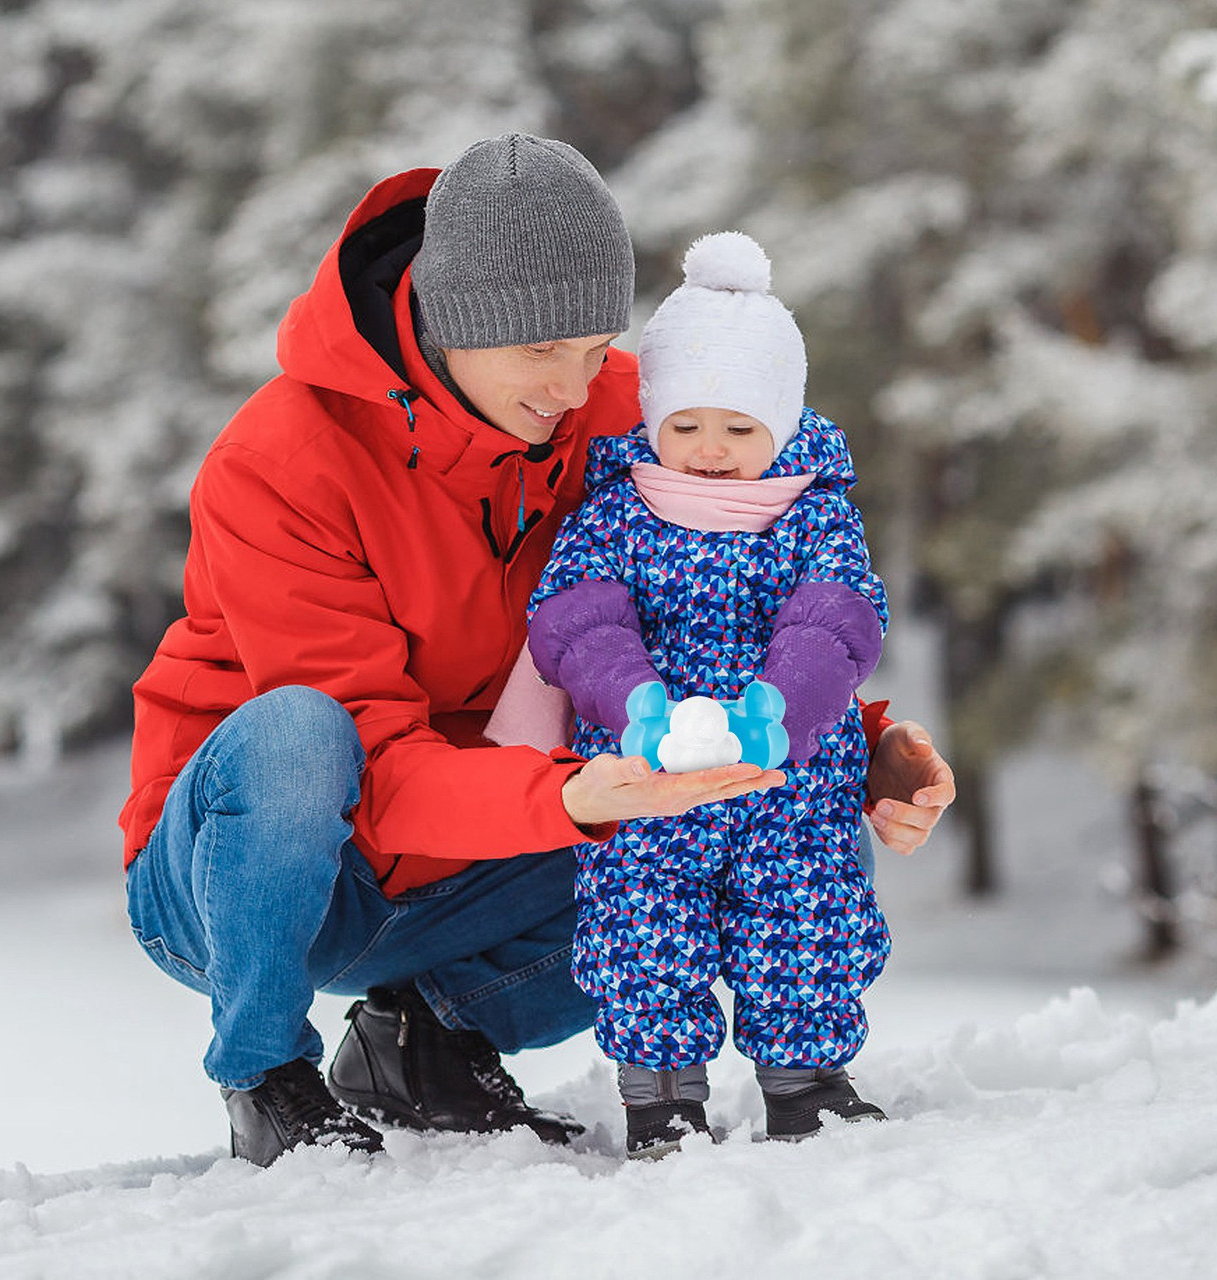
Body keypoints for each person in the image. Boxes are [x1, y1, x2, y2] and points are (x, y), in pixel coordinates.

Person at [119, 132, 955, 1167]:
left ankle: (423, 1039)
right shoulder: (281, 463)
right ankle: (263, 1070)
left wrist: (844, 743)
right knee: (299, 736)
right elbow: (367, 763)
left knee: (706, 835)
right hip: (254, 872)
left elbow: (721, 607)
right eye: (537, 350)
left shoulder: (629, 412)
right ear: (451, 322)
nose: (573, 384)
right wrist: (564, 798)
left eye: (594, 343)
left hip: (479, 847)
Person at [527, 231, 893, 1156]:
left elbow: (836, 621)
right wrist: (633, 703)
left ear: (782, 421)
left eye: (739, 428)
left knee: (805, 920)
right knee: (643, 931)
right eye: (685, 425)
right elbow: (577, 620)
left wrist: (782, 711)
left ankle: (807, 1081)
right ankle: (660, 1097)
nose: (709, 452)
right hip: (646, 779)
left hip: (789, 784)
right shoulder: (615, 509)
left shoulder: (813, 508)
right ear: (651, 416)